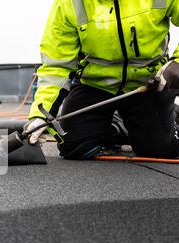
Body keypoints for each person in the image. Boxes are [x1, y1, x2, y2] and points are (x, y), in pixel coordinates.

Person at [27, 0, 179, 159]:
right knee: (73, 147)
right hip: (95, 84)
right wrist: (40, 116)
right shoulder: (70, 3)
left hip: (147, 83)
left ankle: (172, 115)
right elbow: (56, 66)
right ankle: (117, 125)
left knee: (159, 152)